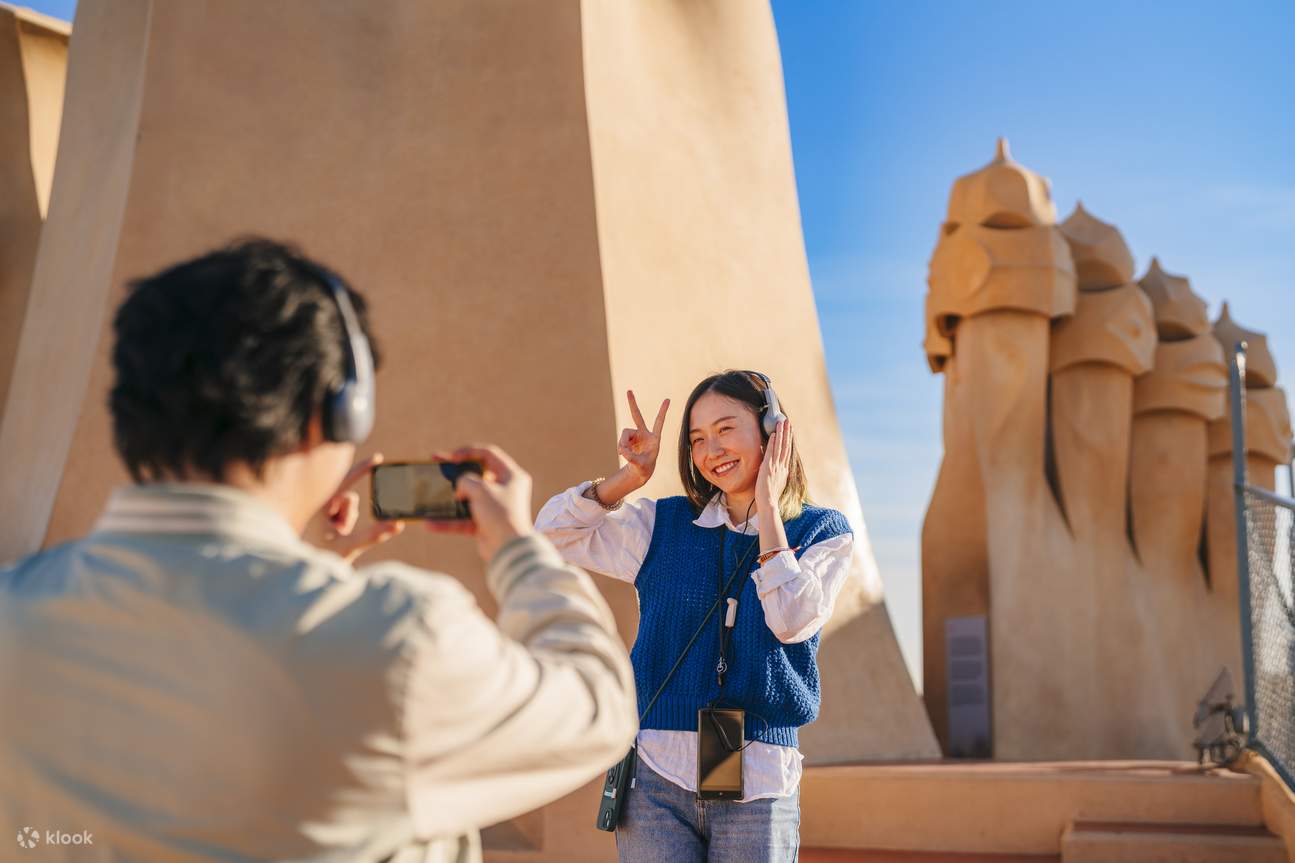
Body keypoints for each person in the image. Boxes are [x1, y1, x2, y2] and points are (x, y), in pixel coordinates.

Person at [0, 239, 637, 862]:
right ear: (336, 412)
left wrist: (314, 566)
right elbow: (597, 707)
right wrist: (520, 551)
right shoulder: (397, 639)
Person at [536, 371, 855, 863]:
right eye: (697, 439)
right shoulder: (660, 524)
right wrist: (628, 479)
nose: (712, 450)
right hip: (655, 776)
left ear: (773, 430)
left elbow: (791, 620)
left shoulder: (822, 533)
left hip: (759, 776)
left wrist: (769, 509)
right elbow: (552, 535)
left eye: (726, 430)